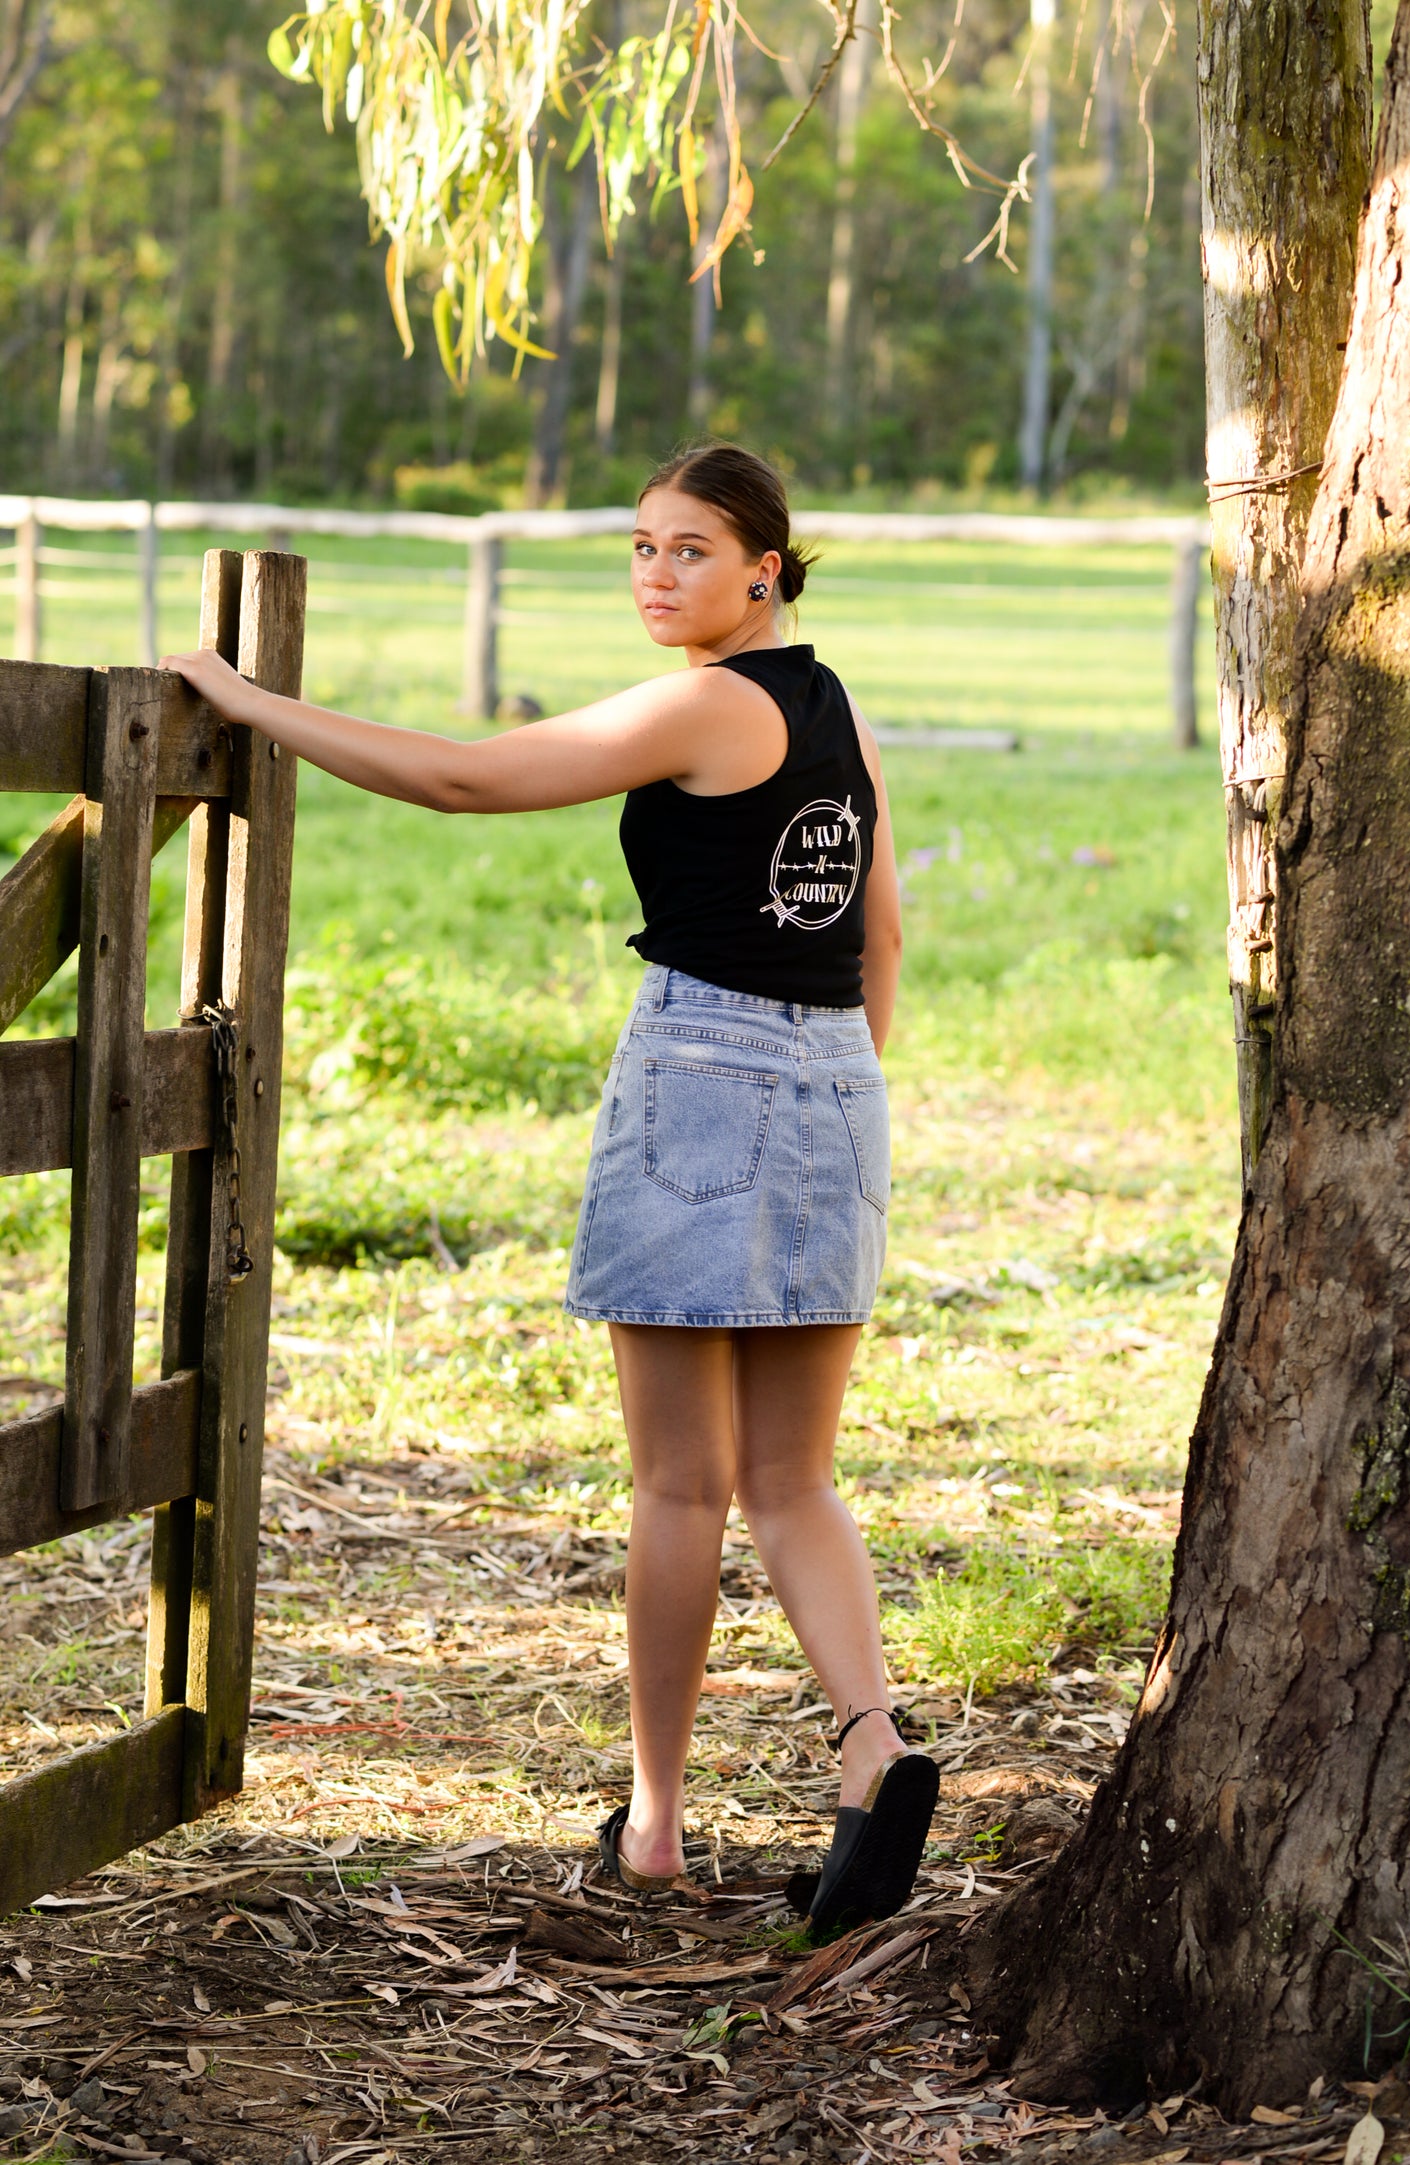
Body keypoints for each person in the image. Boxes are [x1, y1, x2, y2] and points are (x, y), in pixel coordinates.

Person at [163, 441, 938, 1933]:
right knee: (791, 1480)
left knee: (677, 1482)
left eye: (691, 551)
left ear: (765, 566)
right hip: (840, 1083)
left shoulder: (705, 704)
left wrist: (250, 701)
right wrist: (829, 1098)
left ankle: (652, 1820)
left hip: (704, 1076)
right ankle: (872, 1747)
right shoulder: (833, 703)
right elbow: (881, 933)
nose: (657, 575)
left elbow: (466, 778)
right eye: (641, 548)